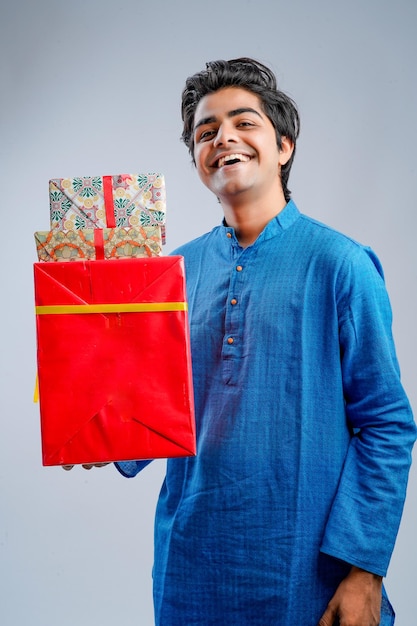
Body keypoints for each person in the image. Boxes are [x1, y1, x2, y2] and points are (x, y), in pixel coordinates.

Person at [113, 58, 416, 625]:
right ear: (199, 162)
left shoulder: (340, 264)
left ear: (284, 146)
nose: (222, 137)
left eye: (242, 122)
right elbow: (144, 417)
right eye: (206, 132)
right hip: (190, 569)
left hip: (307, 574)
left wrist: (363, 569)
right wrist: (90, 429)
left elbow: (386, 424)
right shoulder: (169, 273)